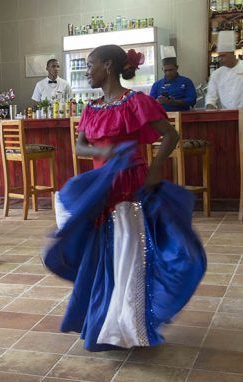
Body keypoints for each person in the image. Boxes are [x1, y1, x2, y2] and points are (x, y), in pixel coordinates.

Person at [42, 45, 206, 352]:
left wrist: (157, 166)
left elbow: (170, 135)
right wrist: (102, 152)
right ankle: (107, 322)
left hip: (130, 187)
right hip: (102, 188)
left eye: (90, 65)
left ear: (108, 65)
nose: (87, 70)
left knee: (129, 256)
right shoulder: (91, 107)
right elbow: (80, 147)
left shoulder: (136, 102)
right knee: (105, 257)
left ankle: (128, 326)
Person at [149, 46, 196, 112]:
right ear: (162, 69)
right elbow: (149, 104)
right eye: (165, 70)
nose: (168, 73)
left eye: (171, 70)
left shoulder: (186, 82)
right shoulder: (157, 85)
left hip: (183, 117)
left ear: (177, 68)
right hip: (162, 118)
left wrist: (175, 102)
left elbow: (192, 100)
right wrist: (157, 101)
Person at [205, 30, 243, 110]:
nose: (220, 59)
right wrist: (210, 106)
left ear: (232, 53)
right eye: (219, 56)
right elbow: (211, 97)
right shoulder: (217, 74)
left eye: (223, 56)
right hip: (227, 115)